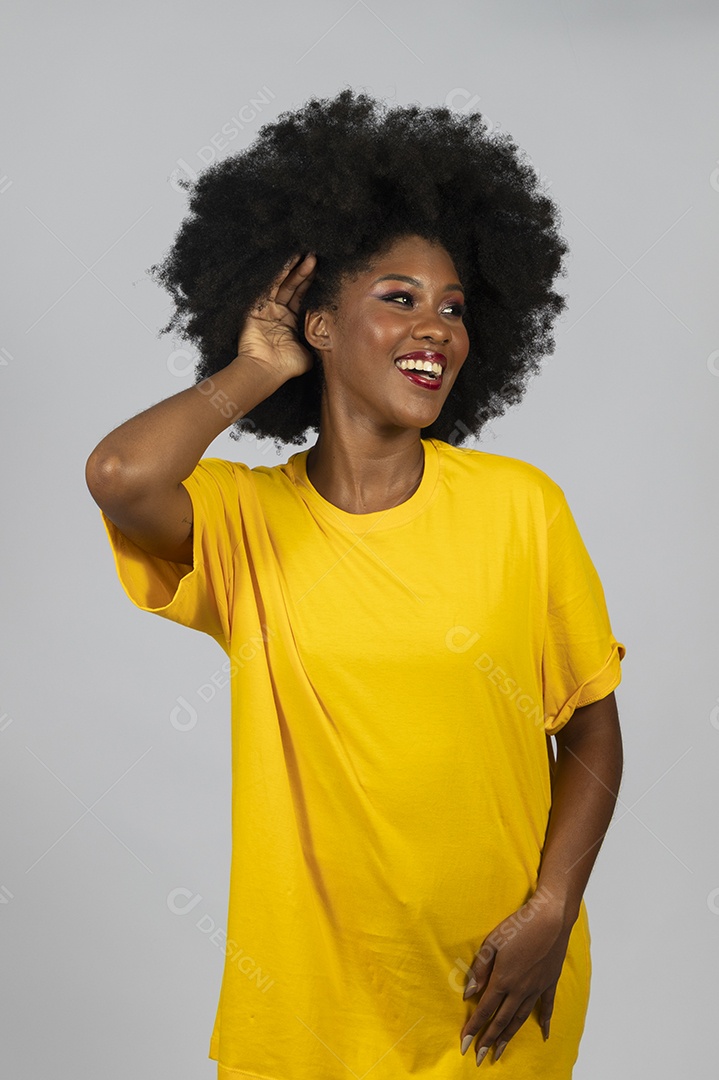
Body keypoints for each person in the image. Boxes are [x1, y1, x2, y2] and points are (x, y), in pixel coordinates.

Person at [85, 88, 626, 1079]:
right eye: (398, 298)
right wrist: (250, 369)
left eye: (453, 307)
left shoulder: (520, 509)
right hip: (306, 1026)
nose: (436, 329)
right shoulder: (244, 524)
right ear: (316, 322)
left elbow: (588, 724)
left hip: (494, 1011)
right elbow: (121, 477)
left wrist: (553, 909)